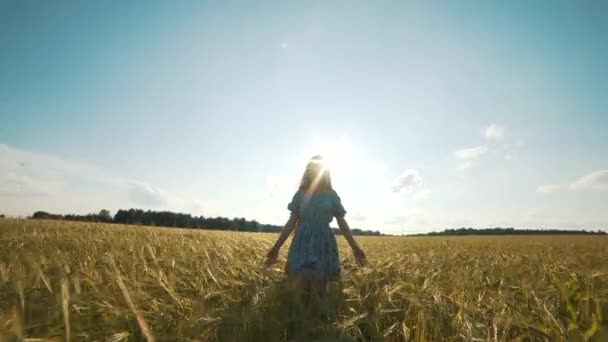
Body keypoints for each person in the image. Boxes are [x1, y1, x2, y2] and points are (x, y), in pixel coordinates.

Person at [265, 155, 367, 295]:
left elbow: (342, 224)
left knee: (319, 288)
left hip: (324, 242)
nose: (315, 171)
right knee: (300, 286)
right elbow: (291, 223)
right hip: (302, 242)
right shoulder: (300, 194)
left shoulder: (332, 195)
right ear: (307, 171)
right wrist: (276, 248)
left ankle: (319, 314)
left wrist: (355, 248)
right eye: (312, 168)